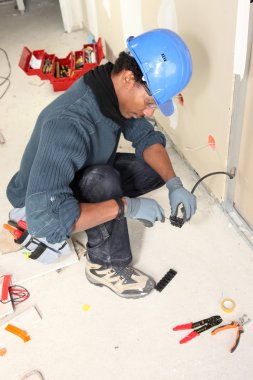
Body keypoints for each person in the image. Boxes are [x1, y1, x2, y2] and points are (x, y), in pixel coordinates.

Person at [6, 29, 196, 298]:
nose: (149, 111)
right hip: (38, 201)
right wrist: (126, 207)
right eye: (150, 102)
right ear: (129, 78)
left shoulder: (111, 88)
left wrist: (174, 184)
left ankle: (93, 208)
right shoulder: (69, 122)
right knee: (103, 181)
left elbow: (144, 135)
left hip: (77, 168)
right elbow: (43, 222)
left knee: (154, 170)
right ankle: (105, 265)